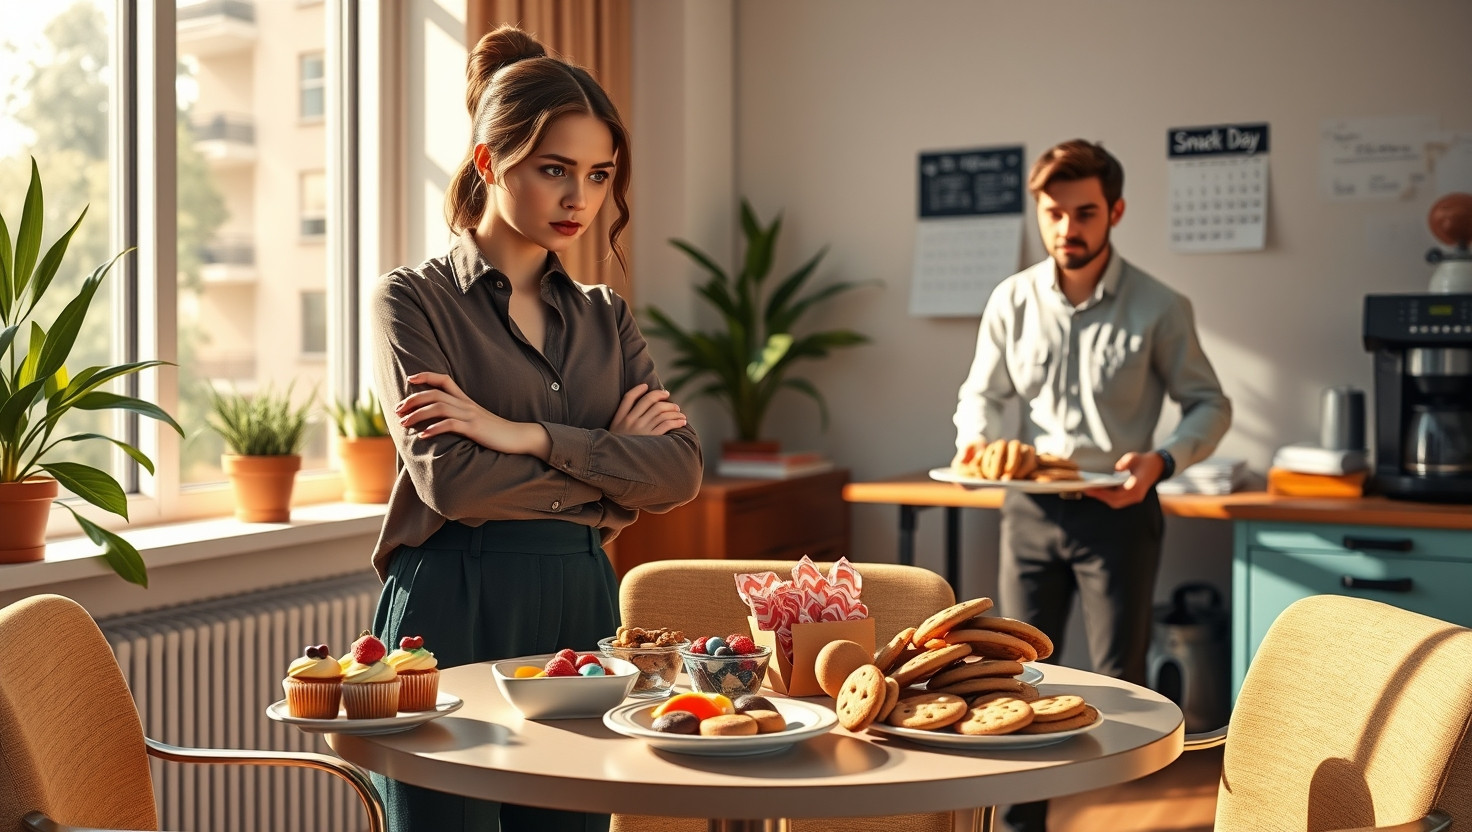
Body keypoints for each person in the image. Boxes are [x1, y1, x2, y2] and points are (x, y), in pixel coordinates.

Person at [367, 25, 703, 832]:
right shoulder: (411, 301)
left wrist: (525, 435)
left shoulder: (604, 314)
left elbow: (682, 472)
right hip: (452, 595)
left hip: (581, 598)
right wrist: (609, 487)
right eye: (555, 170)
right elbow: (453, 482)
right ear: (489, 163)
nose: (579, 199)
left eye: (597, 174)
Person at [951, 139, 1231, 832]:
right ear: (1039, 215)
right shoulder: (1010, 300)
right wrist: (976, 440)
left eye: (1084, 213)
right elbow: (981, 394)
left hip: (1121, 513)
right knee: (1014, 678)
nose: (1067, 229)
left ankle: (1129, 820)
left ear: (1115, 212)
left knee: (1120, 685)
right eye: (1054, 214)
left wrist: (1161, 462)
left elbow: (1209, 404)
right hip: (1030, 513)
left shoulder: (1162, 306)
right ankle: (1019, 824)